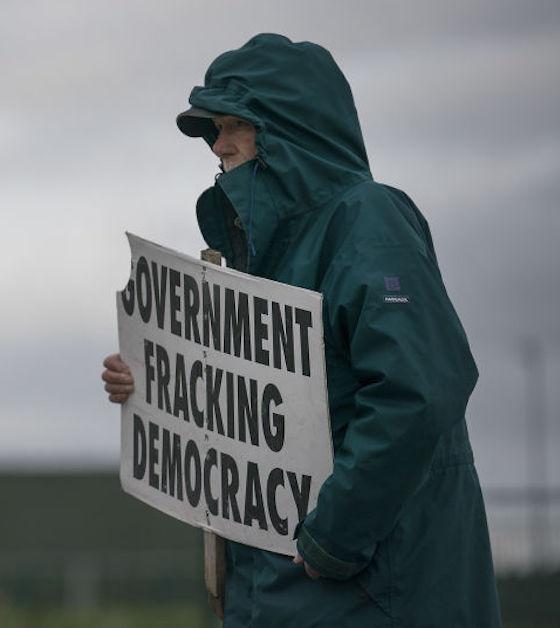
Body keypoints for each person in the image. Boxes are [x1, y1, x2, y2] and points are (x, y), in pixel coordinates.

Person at [101, 33, 501, 626]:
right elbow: (258, 405)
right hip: (277, 593)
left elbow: (418, 389)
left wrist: (335, 534)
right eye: (212, 127)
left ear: (291, 129)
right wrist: (156, 384)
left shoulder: (367, 219)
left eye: (235, 123)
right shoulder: (262, 255)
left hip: (369, 595)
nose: (219, 143)